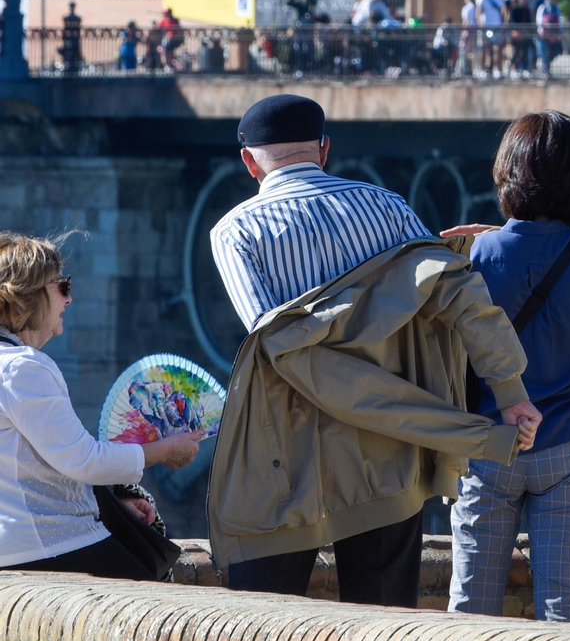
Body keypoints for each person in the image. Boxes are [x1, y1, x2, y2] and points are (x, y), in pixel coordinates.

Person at [208, 94, 541, 604]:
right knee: (385, 629)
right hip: (389, 459)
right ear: (324, 149)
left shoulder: (235, 232)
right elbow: (461, 297)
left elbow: (276, 344)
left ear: (249, 162)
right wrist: (510, 391)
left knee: (264, 627)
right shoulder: (388, 206)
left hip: (291, 468)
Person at [443, 112, 570, 621]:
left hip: (488, 446)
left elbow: (512, 255)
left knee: (471, 609)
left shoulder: (477, 256)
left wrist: (494, 235)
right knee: (565, 608)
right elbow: (546, 255)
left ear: (507, 176)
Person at [0, 233, 201, 577]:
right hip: (49, 541)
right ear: (28, 296)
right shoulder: (23, 367)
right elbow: (84, 459)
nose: (69, 298)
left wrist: (112, 503)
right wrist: (163, 450)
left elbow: (41, 463)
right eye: (62, 286)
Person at [479, 0, 508, 75]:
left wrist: (504, 24)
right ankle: (483, 69)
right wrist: (480, 25)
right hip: (486, 26)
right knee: (484, 47)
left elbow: (504, 12)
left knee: (498, 48)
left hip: (497, 27)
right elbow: (478, 12)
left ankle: (498, 69)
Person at [534, 0, 563, 78]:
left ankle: (547, 66)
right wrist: (543, 30)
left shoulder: (556, 8)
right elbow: (539, 20)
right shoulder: (543, 7)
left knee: (557, 50)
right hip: (544, 34)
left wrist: (561, 32)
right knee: (544, 52)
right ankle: (545, 71)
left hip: (554, 34)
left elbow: (560, 21)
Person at [458, 0, 479, 78]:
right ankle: (476, 69)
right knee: (475, 51)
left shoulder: (467, 8)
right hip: (476, 30)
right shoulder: (476, 7)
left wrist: (463, 31)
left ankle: (463, 69)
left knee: (463, 50)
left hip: (468, 30)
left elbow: (466, 21)